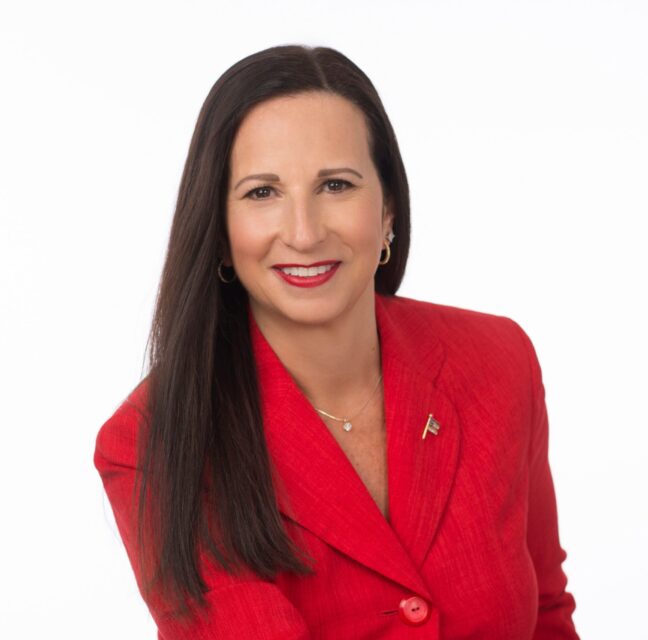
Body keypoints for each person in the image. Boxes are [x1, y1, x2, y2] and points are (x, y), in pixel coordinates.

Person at [94, 44, 580, 639]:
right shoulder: (154, 440)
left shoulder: (498, 361)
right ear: (218, 229)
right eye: (262, 193)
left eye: (335, 185)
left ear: (388, 209)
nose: (304, 233)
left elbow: (548, 617)